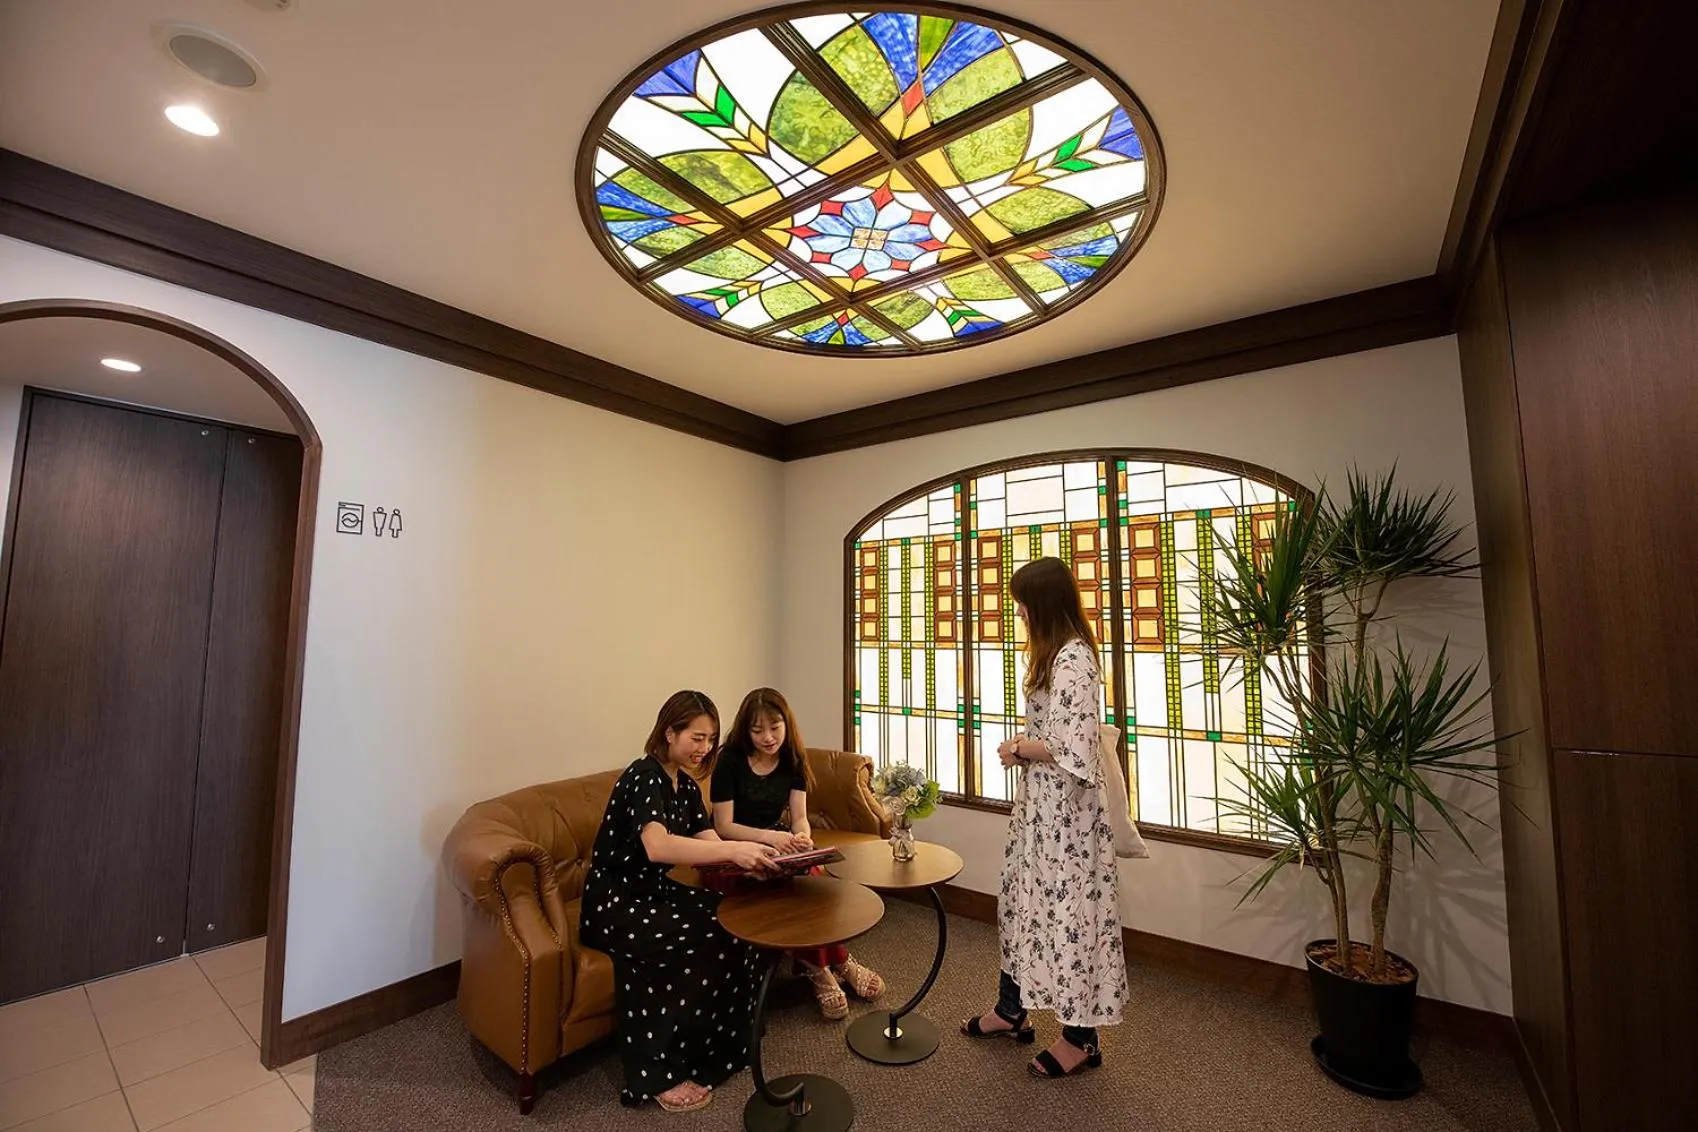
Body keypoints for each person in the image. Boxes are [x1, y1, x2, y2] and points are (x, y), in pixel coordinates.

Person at [960, 557, 1126, 1078]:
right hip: (1041, 809)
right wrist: (1026, 747)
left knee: (1069, 917)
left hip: (1068, 817)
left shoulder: (1074, 657)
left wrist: (1017, 748)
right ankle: (1012, 1010)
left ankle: (1081, 1039)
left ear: (1044, 603)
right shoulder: (1054, 654)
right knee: (1022, 905)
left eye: (1023, 604)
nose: (1020, 613)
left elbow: (1069, 744)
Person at [580, 690, 780, 1113]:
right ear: (669, 732)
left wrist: (754, 861)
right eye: (696, 738)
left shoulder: (685, 786)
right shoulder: (644, 776)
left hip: (653, 892)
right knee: (691, 940)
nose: (704, 748)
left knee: (733, 921)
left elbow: (710, 843)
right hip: (615, 902)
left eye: (710, 739)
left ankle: (715, 1051)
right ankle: (656, 1073)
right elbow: (657, 846)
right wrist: (734, 851)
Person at [708, 687, 886, 1020]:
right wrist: (772, 838)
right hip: (733, 850)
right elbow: (724, 826)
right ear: (746, 731)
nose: (768, 737)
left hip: (777, 843)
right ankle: (829, 967)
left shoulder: (793, 758)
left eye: (775, 728)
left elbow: (800, 817)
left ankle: (823, 964)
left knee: (812, 882)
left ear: (786, 724)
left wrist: (802, 837)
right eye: (757, 730)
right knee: (777, 890)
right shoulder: (729, 760)